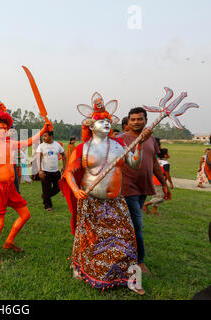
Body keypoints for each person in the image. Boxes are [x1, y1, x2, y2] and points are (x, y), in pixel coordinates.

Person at [61, 92, 148, 295]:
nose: (107, 124)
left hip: (116, 201)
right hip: (91, 201)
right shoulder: (82, 148)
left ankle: (128, 277)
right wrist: (76, 190)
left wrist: (140, 143)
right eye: (102, 122)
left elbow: (134, 164)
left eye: (109, 121)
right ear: (92, 126)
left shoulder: (119, 146)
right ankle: (80, 268)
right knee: (89, 239)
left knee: (126, 236)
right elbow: (69, 173)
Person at [0, 97, 51, 263]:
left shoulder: (11, 143)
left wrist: (43, 130)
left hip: (10, 187)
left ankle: (9, 242)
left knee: (25, 215)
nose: (4, 130)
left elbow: (29, 141)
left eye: (6, 127)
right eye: (0, 128)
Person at [120, 107, 171, 275]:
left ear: (146, 120)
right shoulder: (121, 140)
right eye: (133, 119)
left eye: (139, 119)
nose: (136, 122)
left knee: (131, 224)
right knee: (137, 224)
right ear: (128, 122)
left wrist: (164, 184)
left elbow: (155, 163)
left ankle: (124, 253)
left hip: (144, 187)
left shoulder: (150, 140)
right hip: (127, 187)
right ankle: (139, 262)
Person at [36, 130, 66, 212]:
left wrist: (64, 166)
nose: (44, 138)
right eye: (43, 136)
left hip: (56, 171)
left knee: (59, 187)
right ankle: (47, 206)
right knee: (46, 188)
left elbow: (64, 154)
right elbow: (38, 158)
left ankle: (45, 196)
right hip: (45, 172)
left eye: (45, 136)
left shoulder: (57, 145)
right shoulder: (41, 146)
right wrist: (40, 170)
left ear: (51, 136)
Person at [143, 148, 174, 215]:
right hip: (159, 182)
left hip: (154, 180)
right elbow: (167, 174)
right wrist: (171, 183)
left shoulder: (158, 161)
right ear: (165, 155)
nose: (169, 154)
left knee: (156, 196)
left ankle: (154, 211)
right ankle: (145, 204)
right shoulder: (166, 163)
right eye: (168, 153)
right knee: (161, 197)